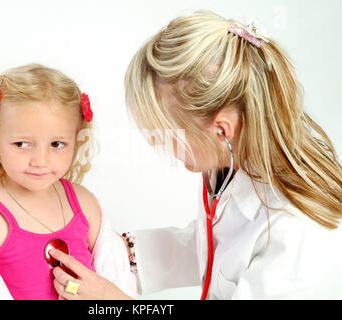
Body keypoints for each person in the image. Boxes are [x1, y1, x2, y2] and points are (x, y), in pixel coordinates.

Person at [49, 10, 342, 300]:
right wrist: (120, 251)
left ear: (222, 130)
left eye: (169, 132)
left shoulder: (299, 237)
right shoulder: (231, 163)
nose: (161, 145)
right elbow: (216, 246)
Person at [0, 63, 137, 300]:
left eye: (57, 144)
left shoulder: (84, 205)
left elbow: (115, 281)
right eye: (22, 144)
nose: (40, 160)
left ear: (76, 141)